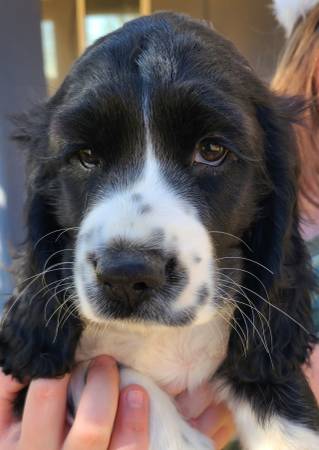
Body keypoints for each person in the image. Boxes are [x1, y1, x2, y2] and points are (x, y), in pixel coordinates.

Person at [1, 2, 319, 449]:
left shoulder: (254, 319)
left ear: (271, 192)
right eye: (87, 157)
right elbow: (32, 384)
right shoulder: (61, 298)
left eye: (211, 151)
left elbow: (269, 371)